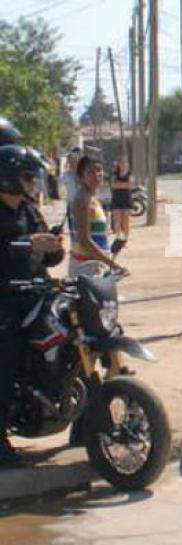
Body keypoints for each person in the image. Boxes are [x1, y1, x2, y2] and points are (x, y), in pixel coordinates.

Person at [0, 144, 65, 468]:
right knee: (6, 353)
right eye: (27, 176)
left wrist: (53, 247)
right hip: (6, 299)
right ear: (9, 178)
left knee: (73, 333)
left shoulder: (29, 210)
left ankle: (86, 421)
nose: (32, 183)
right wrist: (28, 244)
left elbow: (51, 258)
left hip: (37, 293)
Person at [69, 156, 124, 277]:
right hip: (86, 267)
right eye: (90, 172)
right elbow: (85, 241)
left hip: (98, 265)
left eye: (99, 170)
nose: (96, 174)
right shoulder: (82, 201)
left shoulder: (92, 198)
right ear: (81, 176)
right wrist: (114, 265)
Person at [110, 156, 132, 255]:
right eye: (121, 163)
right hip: (116, 199)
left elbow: (129, 185)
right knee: (117, 220)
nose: (123, 165)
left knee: (125, 220)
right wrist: (123, 185)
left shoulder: (129, 174)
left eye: (124, 163)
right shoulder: (114, 174)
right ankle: (118, 238)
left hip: (126, 199)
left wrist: (120, 184)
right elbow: (113, 185)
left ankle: (125, 239)